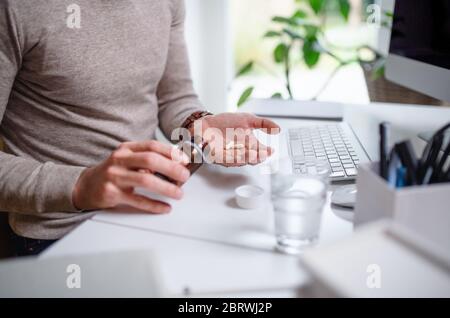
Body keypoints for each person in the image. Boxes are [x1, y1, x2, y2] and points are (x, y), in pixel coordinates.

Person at [0, 0, 279, 256]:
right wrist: (82, 185)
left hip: (152, 206)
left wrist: (199, 123)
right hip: (60, 232)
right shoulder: (15, 8)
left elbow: (174, 96)